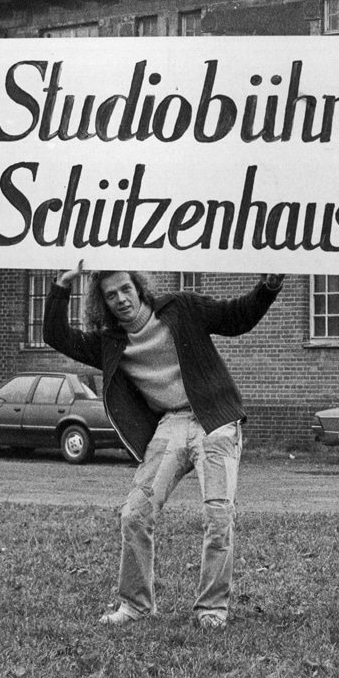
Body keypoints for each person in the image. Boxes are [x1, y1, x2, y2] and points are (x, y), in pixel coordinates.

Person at [42, 263, 283, 630]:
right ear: (103, 303)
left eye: (125, 289)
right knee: (134, 513)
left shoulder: (181, 308)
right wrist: (61, 287)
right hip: (171, 424)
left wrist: (267, 287)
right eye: (111, 295)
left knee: (219, 516)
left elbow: (237, 318)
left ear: (139, 287)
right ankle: (135, 605)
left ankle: (211, 609)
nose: (121, 299)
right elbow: (57, 335)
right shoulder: (111, 343)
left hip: (214, 419)